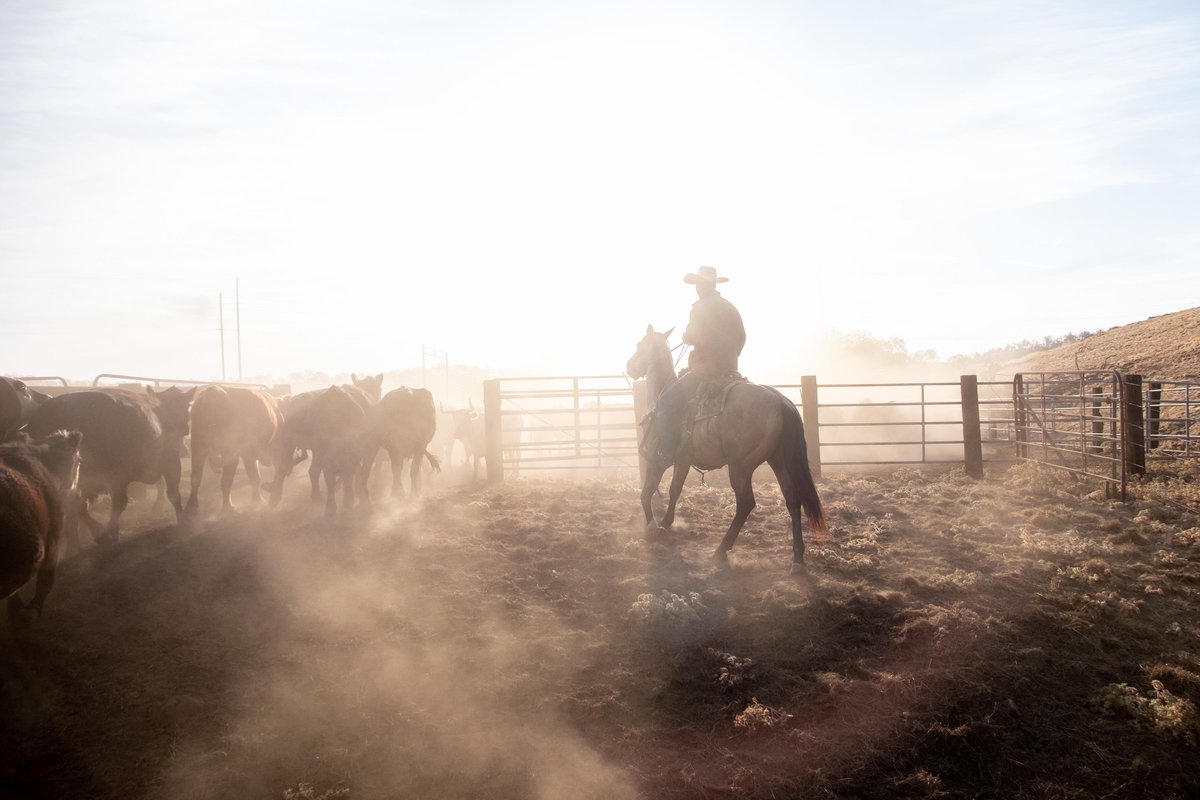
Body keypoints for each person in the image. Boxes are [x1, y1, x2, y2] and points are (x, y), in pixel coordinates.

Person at [652, 265, 746, 461]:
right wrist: (730, 356)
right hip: (730, 369)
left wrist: (686, 336)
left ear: (705, 285)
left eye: (699, 284)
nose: (697, 288)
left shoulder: (700, 307)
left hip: (705, 371)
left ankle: (668, 451)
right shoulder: (731, 307)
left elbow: (694, 336)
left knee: (665, 401)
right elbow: (742, 337)